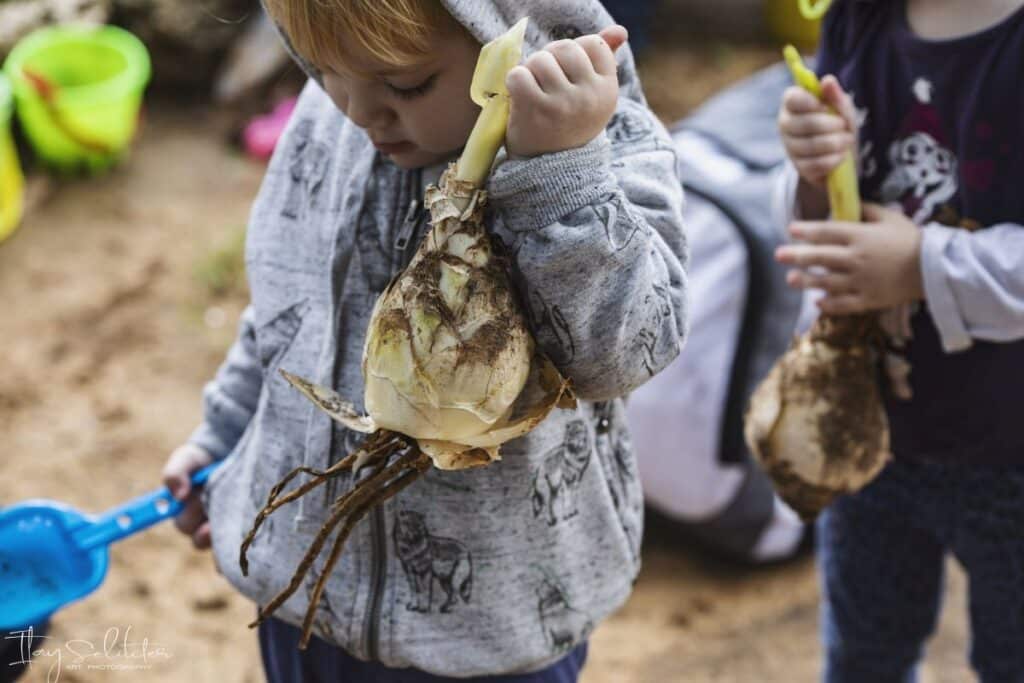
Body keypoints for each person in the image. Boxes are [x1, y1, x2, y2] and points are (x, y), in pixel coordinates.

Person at [162, 1, 688, 681]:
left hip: (493, 634)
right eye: (319, 68)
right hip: (303, 594)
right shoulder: (336, 119)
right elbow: (288, 308)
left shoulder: (599, 153)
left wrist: (561, 175)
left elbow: (623, 352)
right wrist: (226, 434)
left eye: (405, 86)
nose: (358, 112)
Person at [775, 1, 1024, 680]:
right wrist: (812, 170)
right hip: (873, 434)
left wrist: (922, 265)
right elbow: (816, 216)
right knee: (865, 651)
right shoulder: (857, 18)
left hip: (1012, 455)